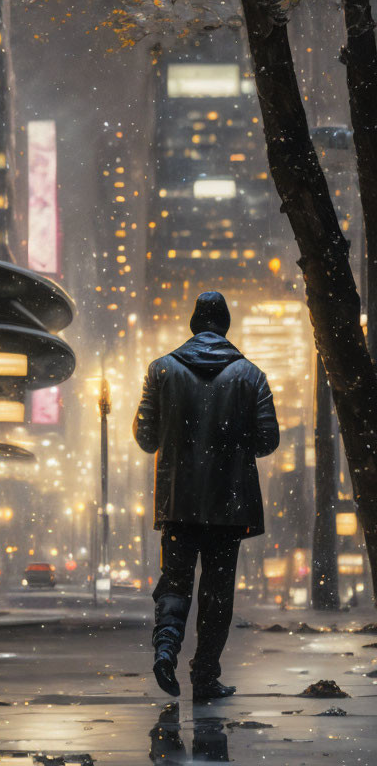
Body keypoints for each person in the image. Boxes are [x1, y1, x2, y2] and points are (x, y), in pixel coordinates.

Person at [133, 291, 279, 702]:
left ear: (193, 325)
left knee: (176, 581)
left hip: (179, 502)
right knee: (217, 593)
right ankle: (204, 675)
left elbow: (145, 438)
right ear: (226, 326)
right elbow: (268, 439)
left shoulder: (160, 370)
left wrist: (180, 436)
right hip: (229, 506)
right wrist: (230, 442)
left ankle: (165, 648)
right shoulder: (251, 376)